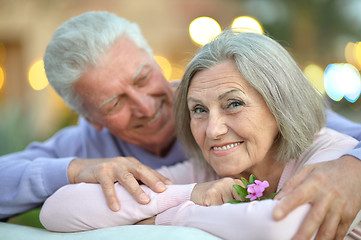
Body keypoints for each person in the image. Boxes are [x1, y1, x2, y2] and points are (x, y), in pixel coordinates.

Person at [0, 11, 360, 239]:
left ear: (156, 65)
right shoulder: (202, 165)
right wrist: (78, 169)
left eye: (143, 79)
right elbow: (56, 210)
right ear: (92, 119)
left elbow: (282, 224)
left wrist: (355, 167)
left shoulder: (319, 141)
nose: (145, 106)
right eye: (114, 102)